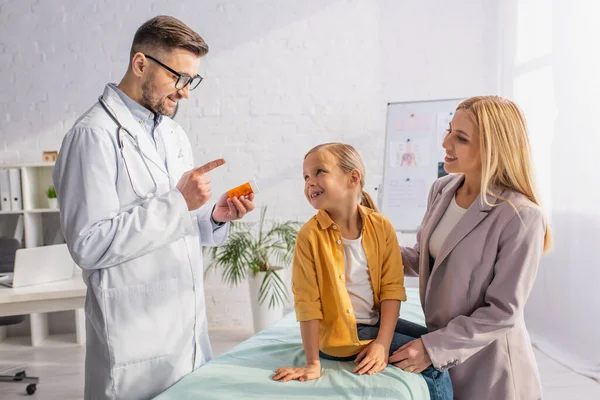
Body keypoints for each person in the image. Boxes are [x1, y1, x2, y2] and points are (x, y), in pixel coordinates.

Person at [53, 16, 255, 400]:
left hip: (183, 326)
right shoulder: (91, 136)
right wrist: (179, 202)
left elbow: (175, 223)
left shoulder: (172, 133)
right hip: (134, 336)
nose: (186, 92)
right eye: (179, 77)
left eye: (191, 81)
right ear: (141, 64)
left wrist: (211, 216)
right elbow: (88, 244)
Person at [391, 96, 551, 399]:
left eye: (460, 138)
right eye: (449, 130)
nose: (445, 143)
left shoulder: (521, 215)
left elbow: (503, 312)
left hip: (490, 370)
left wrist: (432, 349)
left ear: (493, 147)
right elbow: (425, 259)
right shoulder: (441, 190)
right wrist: (367, 249)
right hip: (444, 355)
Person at [272, 143, 453, 399]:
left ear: (352, 178)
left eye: (319, 172)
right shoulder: (309, 237)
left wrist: (382, 342)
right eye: (305, 177)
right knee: (434, 364)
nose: (309, 182)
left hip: (374, 324)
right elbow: (307, 304)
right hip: (340, 338)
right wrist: (313, 364)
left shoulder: (381, 226)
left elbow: (392, 289)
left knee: (437, 346)